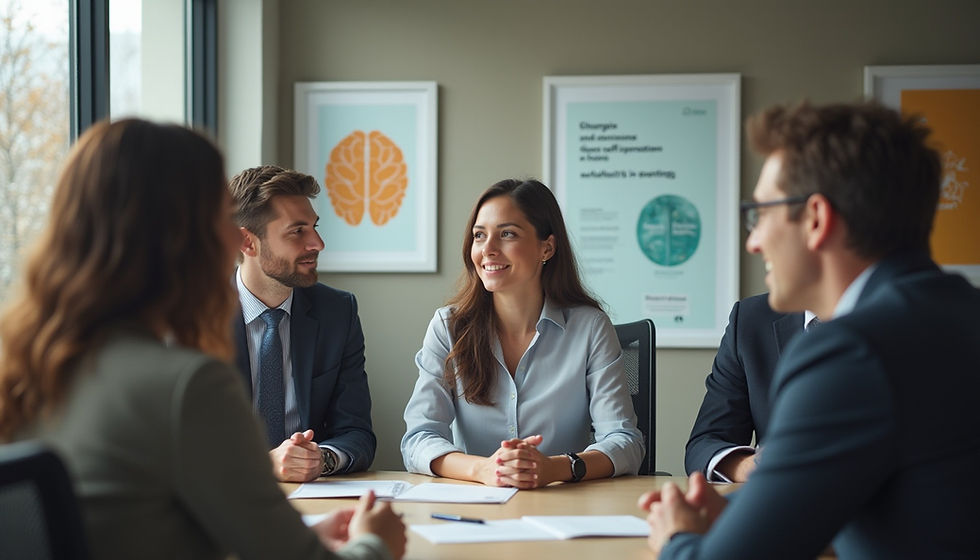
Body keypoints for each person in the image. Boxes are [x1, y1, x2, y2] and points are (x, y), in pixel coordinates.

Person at [0, 119, 405, 560]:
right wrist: (375, 543)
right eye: (219, 217)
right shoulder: (186, 384)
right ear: (188, 238)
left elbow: (143, 522)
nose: (231, 235)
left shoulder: (27, 364)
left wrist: (289, 535)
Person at [639, 101, 980, 559]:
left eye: (761, 213)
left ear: (816, 219)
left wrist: (676, 536)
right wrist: (750, 514)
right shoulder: (959, 312)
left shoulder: (853, 352)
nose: (753, 240)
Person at [401, 179, 644, 488]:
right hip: (475, 505)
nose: (488, 249)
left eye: (507, 234)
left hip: (563, 503)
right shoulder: (448, 327)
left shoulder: (590, 327)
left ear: (547, 248)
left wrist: (554, 468)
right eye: (479, 235)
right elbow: (419, 438)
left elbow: (625, 441)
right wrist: (483, 470)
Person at [229, 165, 376, 483]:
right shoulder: (194, 317)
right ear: (247, 242)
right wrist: (260, 464)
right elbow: (175, 442)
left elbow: (357, 432)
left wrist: (321, 459)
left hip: (311, 495)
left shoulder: (338, 312)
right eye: (297, 231)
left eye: (314, 227)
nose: (317, 243)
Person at [684, 294, 812, 482]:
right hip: (778, 492)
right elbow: (702, 446)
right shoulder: (751, 317)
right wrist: (755, 467)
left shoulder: (859, 321)